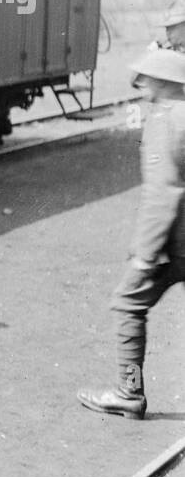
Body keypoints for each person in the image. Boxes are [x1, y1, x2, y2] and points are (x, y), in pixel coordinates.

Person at [77, 48, 185, 419]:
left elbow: (164, 192)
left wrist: (146, 252)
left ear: (165, 83)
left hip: (174, 242)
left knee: (128, 303)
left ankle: (128, 391)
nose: (142, 85)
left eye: (149, 79)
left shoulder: (165, 121)